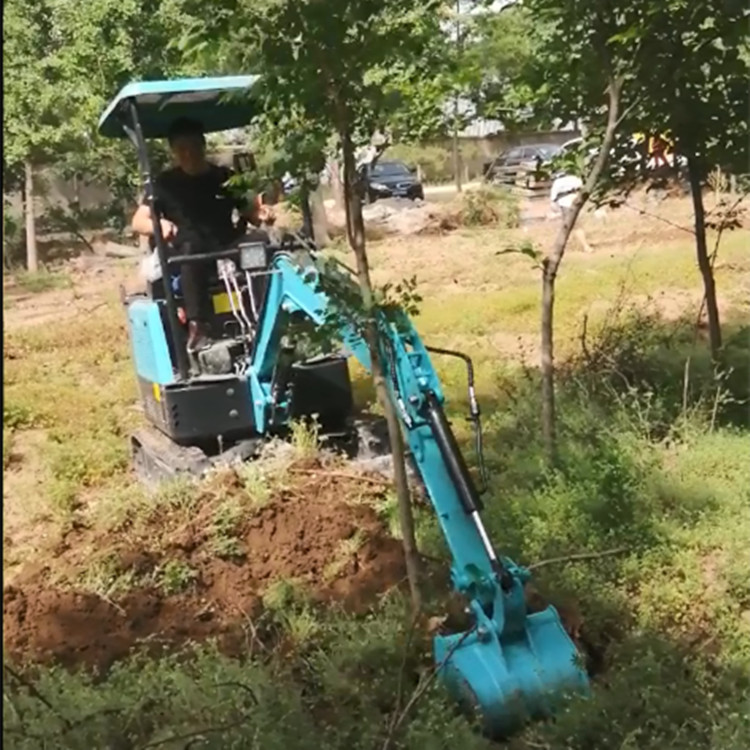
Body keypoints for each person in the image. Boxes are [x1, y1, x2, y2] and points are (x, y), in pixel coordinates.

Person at [131, 117, 272, 352]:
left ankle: (264, 312)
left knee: (258, 244)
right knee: (190, 250)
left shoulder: (225, 177)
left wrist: (262, 214)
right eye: (181, 149)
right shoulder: (164, 184)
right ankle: (199, 327)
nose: (189, 154)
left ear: (203, 146)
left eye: (194, 147)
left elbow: (250, 212)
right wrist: (160, 224)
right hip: (188, 249)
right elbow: (138, 221)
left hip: (226, 242)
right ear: (174, 152)